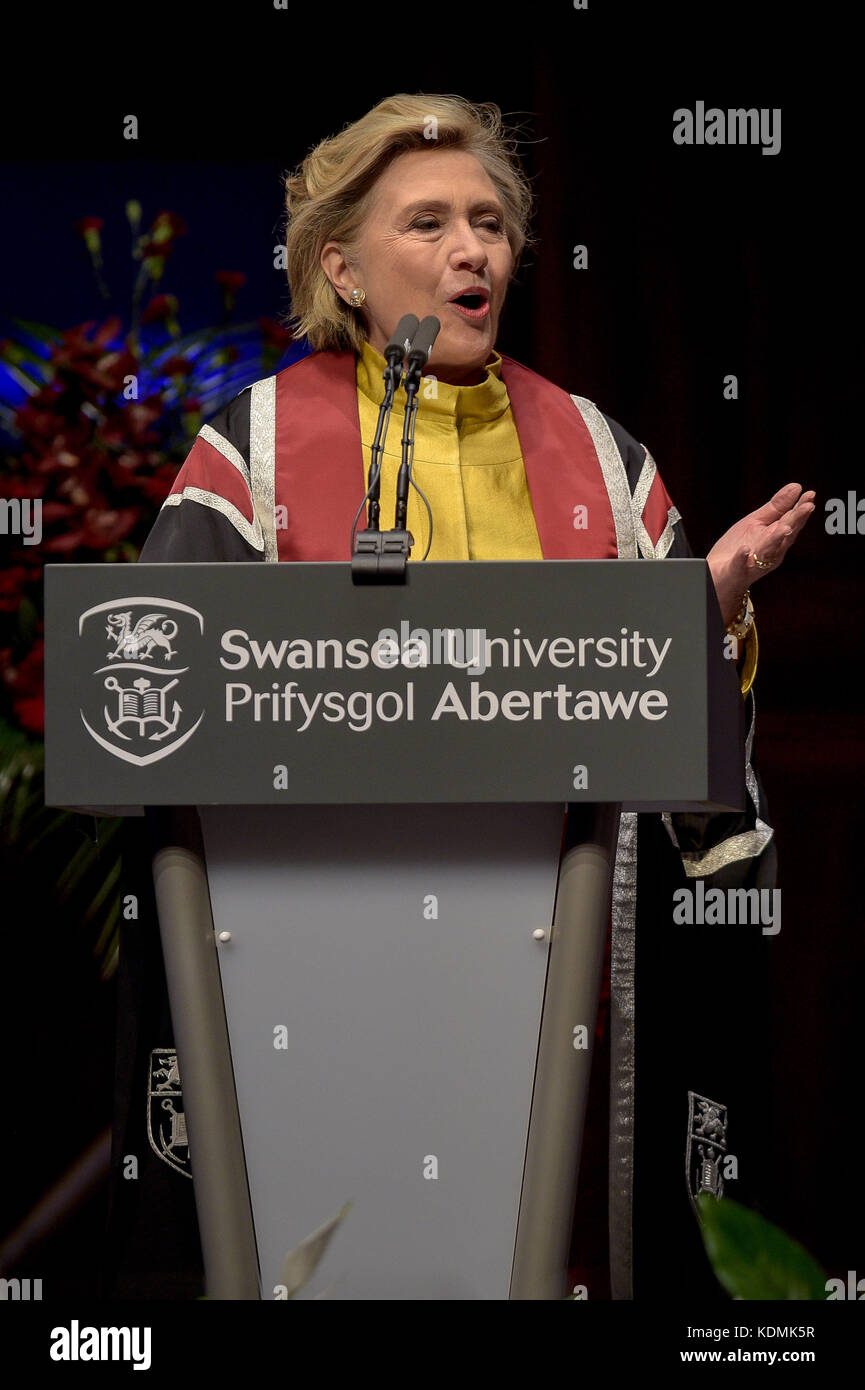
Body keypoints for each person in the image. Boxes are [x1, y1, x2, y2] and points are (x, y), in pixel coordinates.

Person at [106, 92, 815, 1300]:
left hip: (557, 983)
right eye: (427, 222)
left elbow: (675, 756)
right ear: (342, 263)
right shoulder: (253, 454)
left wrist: (706, 615)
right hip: (317, 975)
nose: (470, 249)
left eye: (487, 221)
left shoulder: (600, 452)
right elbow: (163, 708)